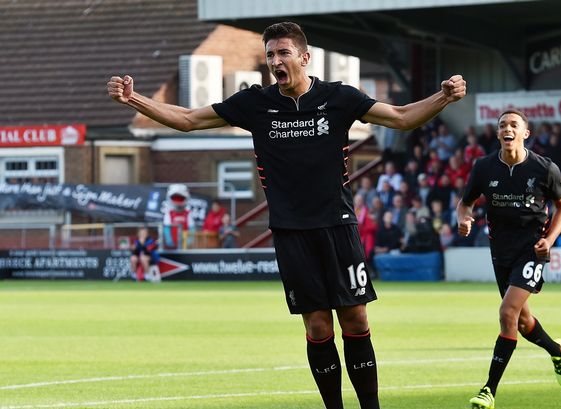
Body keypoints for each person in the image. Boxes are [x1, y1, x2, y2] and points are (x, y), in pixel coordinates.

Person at [108, 21, 466, 409]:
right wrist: (134, 100)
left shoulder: (339, 98)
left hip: (338, 225)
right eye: (270, 55)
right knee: (317, 325)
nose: (275, 61)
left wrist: (443, 98)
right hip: (291, 230)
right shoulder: (255, 104)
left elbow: (400, 116)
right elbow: (189, 119)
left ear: (304, 57)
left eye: (283, 53)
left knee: (357, 321)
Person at [457, 109, 561, 409]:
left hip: (532, 251)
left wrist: (550, 239)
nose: (507, 128)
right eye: (502, 125)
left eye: (513, 124)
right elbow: (465, 203)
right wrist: (464, 219)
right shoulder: (483, 168)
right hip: (501, 253)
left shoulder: (544, 168)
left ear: (525, 133)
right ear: (498, 134)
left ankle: (488, 390)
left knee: (507, 312)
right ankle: (556, 350)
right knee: (522, 321)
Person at [162, 183, 195, 249]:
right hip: (171, 247)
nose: (177, 202)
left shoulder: (188, 213)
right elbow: (166, 229)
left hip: (185, 246)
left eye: (180, 198)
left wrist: (189, 241)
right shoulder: (169, 214)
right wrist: (169, 241)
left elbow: (192, 229)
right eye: (175, 198)